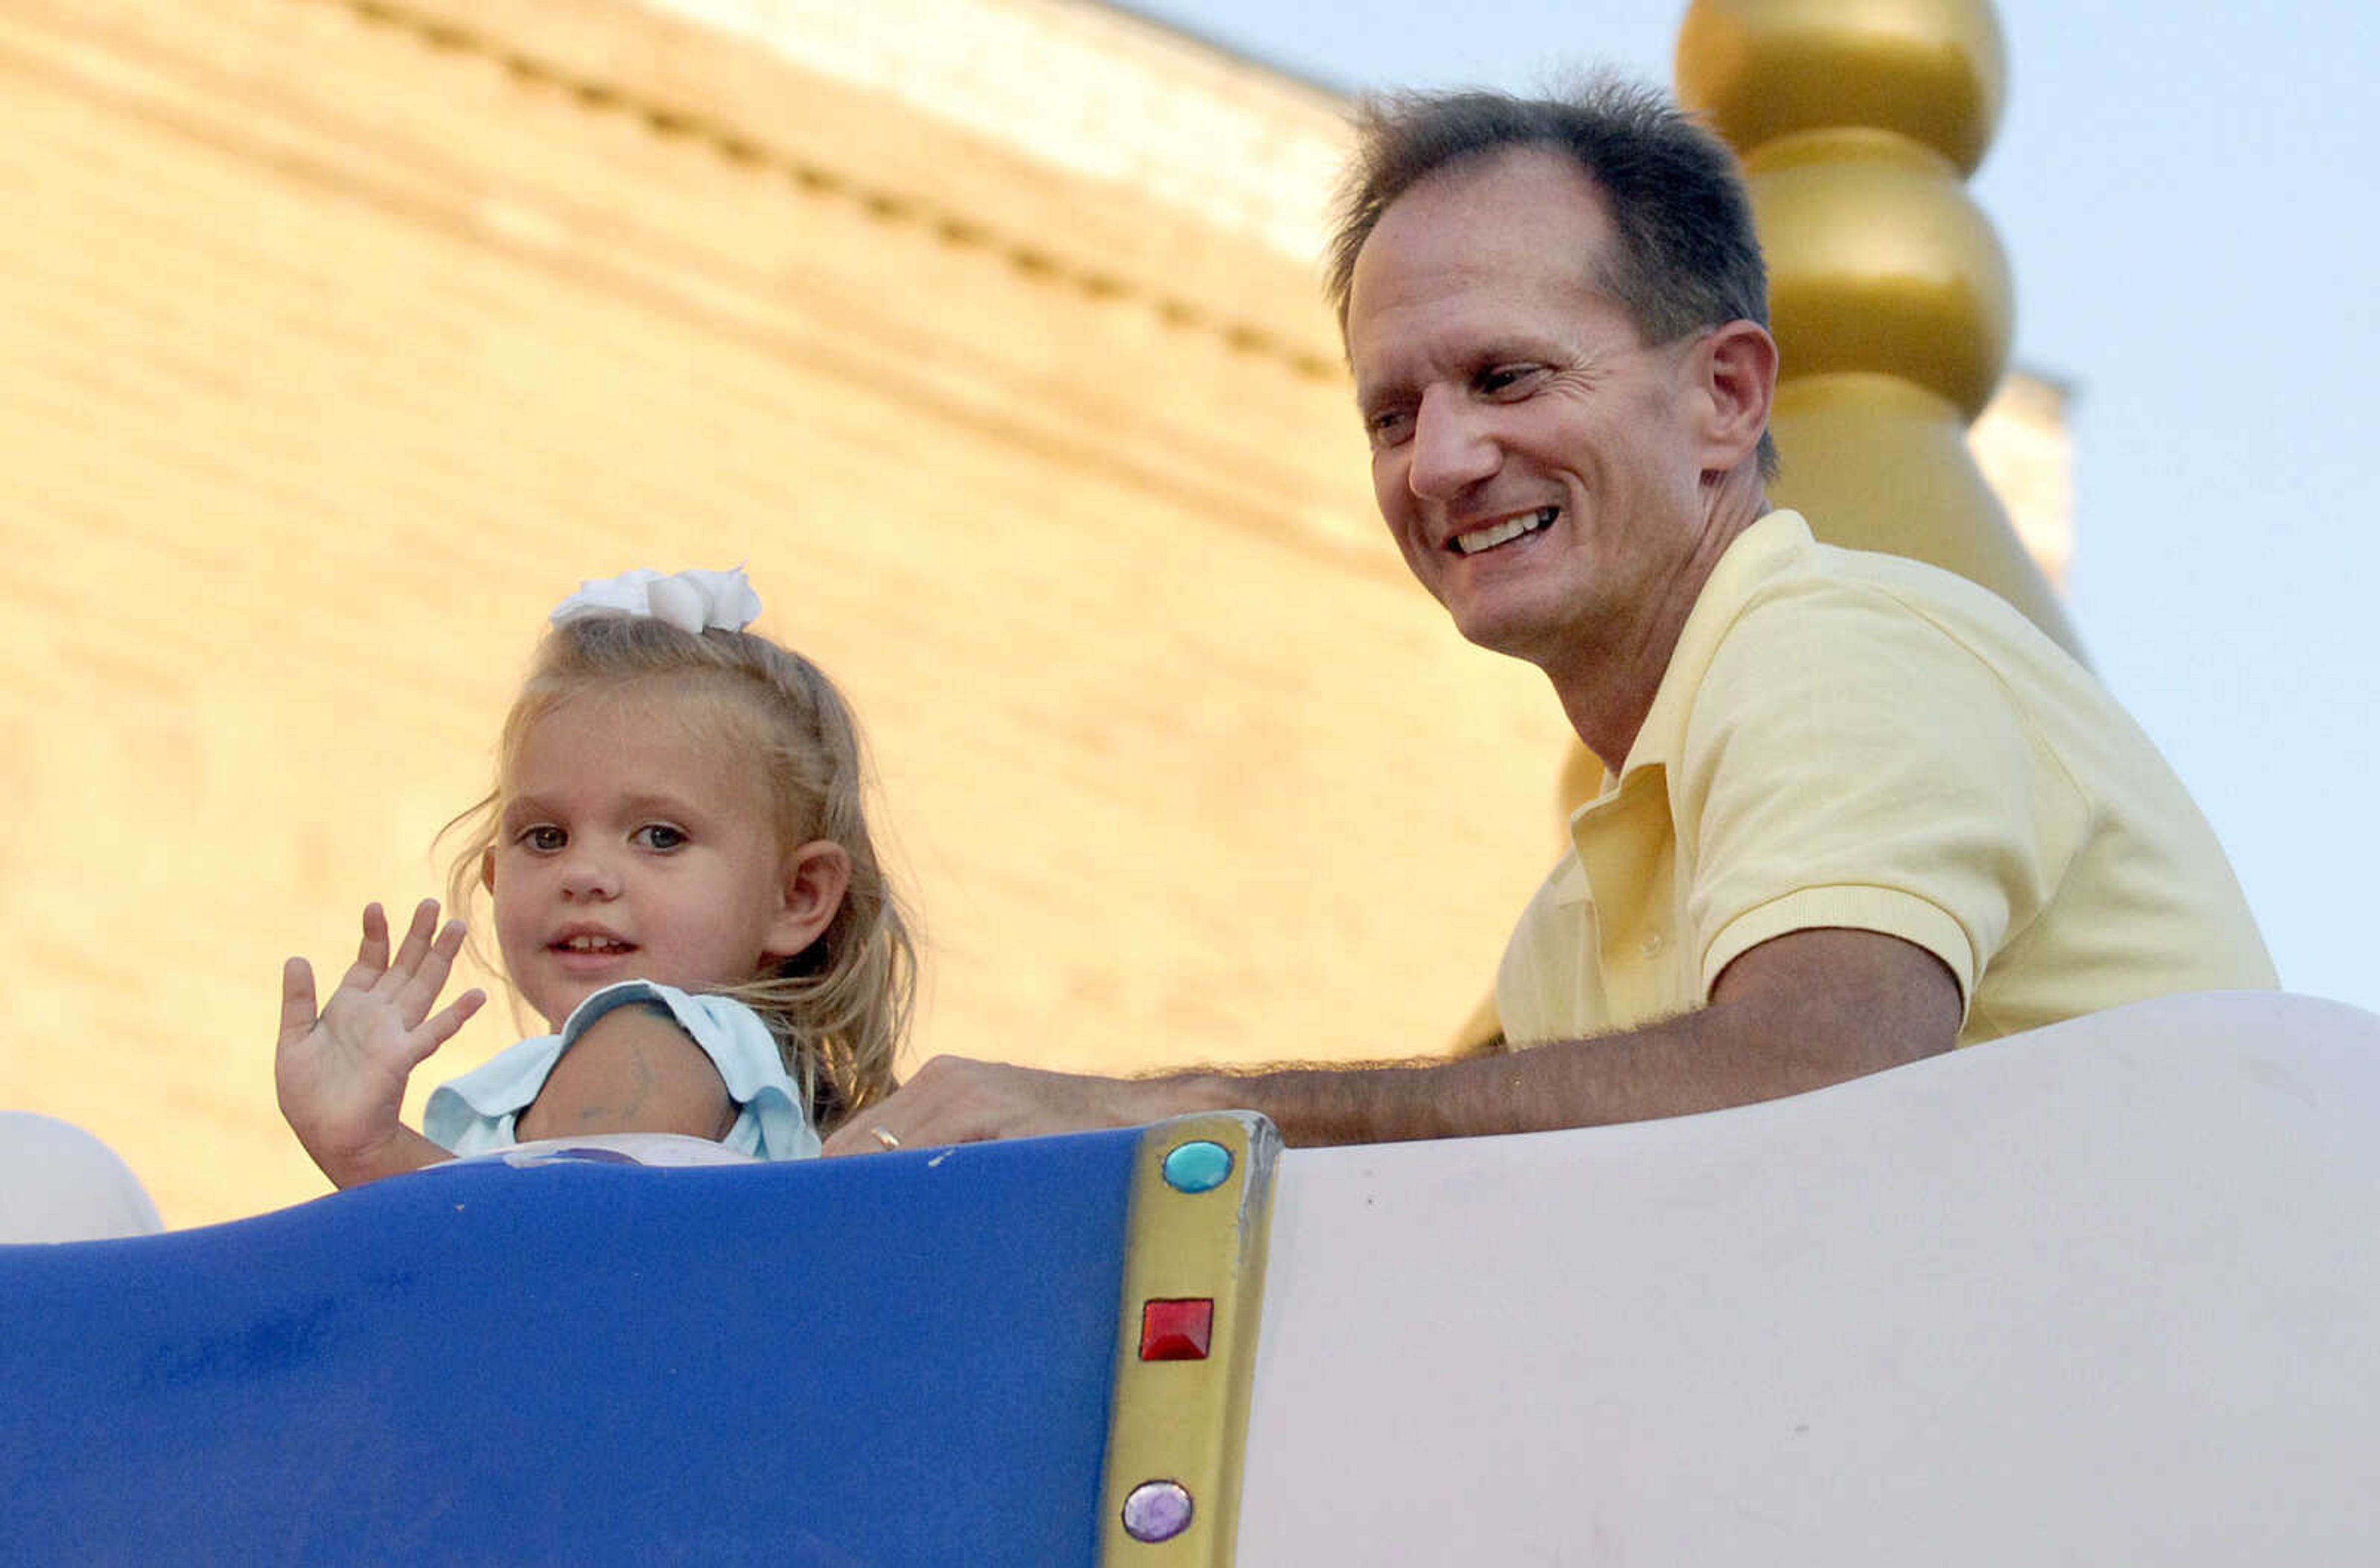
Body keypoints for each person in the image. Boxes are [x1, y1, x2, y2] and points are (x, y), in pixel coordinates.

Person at [821, 80, 2276, 1156]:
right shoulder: (1577, 912)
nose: (1439, 461)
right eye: (1391, 411)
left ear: (1723, 397)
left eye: (1507, 378)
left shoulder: (1833, 651)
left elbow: (1819, 1071)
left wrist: (1168, 1111)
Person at [276, 567, 916, 1187]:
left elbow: (553, 1251)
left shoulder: (649, 1034)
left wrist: (367, 1151)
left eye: (661, 837)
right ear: (497, 876)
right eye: (546, 837)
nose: (583, 875)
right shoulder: (692, 1058)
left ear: (798, 895)